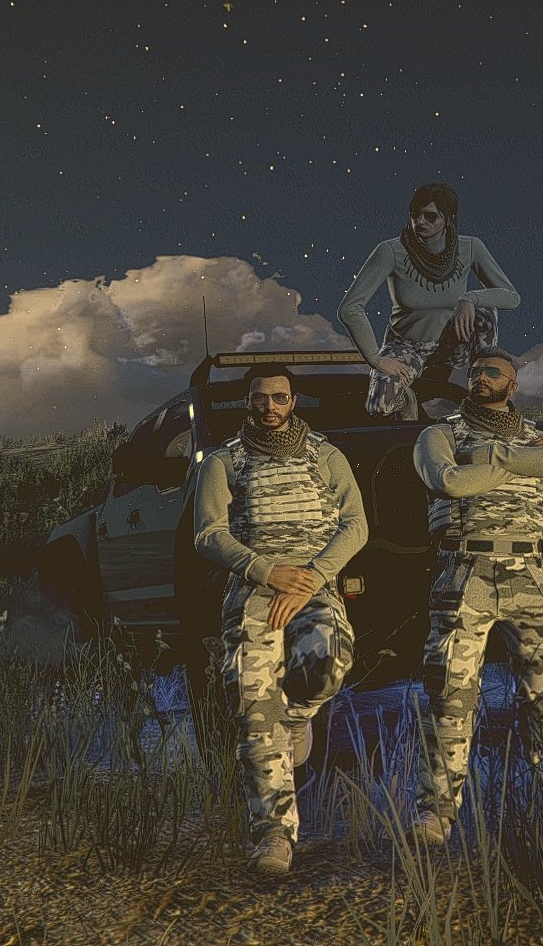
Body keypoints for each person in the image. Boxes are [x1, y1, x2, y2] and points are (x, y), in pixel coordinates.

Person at [192, 363, 367, 876]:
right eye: (260, 398)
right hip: (255, 590)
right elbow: (209, 534)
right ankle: (273, 834)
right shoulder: (223, 462)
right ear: (247, 402)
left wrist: (313, 576)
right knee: (254, 703)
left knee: (328, 662)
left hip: (314, 583)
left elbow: (356, 525)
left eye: (279, 397)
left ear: (293, 401)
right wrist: (267, 572)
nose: (269, 406)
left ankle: (296, 718)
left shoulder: (326, 456)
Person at [409, 346, 543, 844]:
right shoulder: (440, 434)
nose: (481, 377)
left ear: (512, 384)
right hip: (466, 570)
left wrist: (490, 457)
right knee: (450, 694)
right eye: (475, 371)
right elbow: (450, 482)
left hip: (529, 571)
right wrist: (524, 460)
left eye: (493, 372)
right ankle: (436, 814)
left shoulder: (538, 438)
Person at [337, 182, 522, 418]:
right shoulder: (390, 251)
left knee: (484, 309)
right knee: (380, 406)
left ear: (449, 218)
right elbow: (349, 308)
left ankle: (483, 387)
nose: (420, 221)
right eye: (415, 214)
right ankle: (408, 401)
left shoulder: (471, 247)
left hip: (452, 344)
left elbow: (512, 297)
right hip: (407, 345)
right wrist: (375, 359)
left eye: (430, 216)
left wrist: (469, 298)